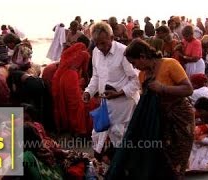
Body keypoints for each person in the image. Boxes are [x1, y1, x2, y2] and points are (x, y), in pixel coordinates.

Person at [122, 39, 194, 179]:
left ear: (143, 56)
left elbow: (188, 89)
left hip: (180, 118)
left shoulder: (169, 64)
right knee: (161, 160)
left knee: (177, 160)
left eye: (134, 63)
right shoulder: (143, 75)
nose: (135, 67)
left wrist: (163, 88)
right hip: (160, 121)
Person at [83, 22, 140, 158]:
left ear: (112, 37)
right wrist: (88, 92)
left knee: (121, 137)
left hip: (124, 104)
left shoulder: (124, 52)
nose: (100, 47)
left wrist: (119, 93)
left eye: (103, 43)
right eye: (96, 43)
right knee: (99, 134)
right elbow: (96, 76)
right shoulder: (96, 52)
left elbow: (137, 79)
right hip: (105, 103)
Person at [52, 42, 96, 136]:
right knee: (77, 105)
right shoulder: (85, 54)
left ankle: (70, 127)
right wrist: (89, 84)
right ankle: (79, 129)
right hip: (72, 78)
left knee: (67, 103)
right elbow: (85, 72)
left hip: (62, 79)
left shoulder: (68, 54)